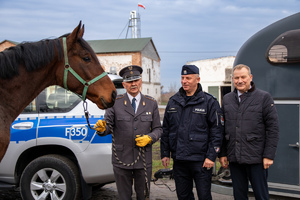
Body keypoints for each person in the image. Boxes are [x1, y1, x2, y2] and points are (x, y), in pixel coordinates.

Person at [94, 65, 162, 200]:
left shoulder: (151, 103)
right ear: (124, 84)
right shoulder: (115, 103)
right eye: (130, 82)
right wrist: (102, 129)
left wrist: (150, 137)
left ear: (141, 81)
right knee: (124, 197)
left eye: (136, 80)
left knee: (143, 196)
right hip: (122, 160)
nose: (134, 84)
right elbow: (108, 127)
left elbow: (158, 129)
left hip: (143, 159)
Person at [160, 65, 224, 200]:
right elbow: (166, 129)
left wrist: (211, 156)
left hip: (201, 161)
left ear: (197, 79)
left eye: (188, 78)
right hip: (179, 160)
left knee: (204, 196)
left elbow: (217, 131)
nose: (184, 81)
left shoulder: (209, 102)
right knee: (183, 196)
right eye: (182, 78)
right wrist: (165, 153)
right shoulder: (173, 101)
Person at [219, 64, 279, 200]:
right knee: (239, 195)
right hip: (234, 158)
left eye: (243, 77)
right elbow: (222, 128)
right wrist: (222, 153)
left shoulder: (264, 98)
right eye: (236, 78)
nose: (240, 81)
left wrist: (269, 155)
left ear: (250, 77)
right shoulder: (227, 99)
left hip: (256, 158)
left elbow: (273, 128)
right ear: (232, 79)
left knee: (261, 196)